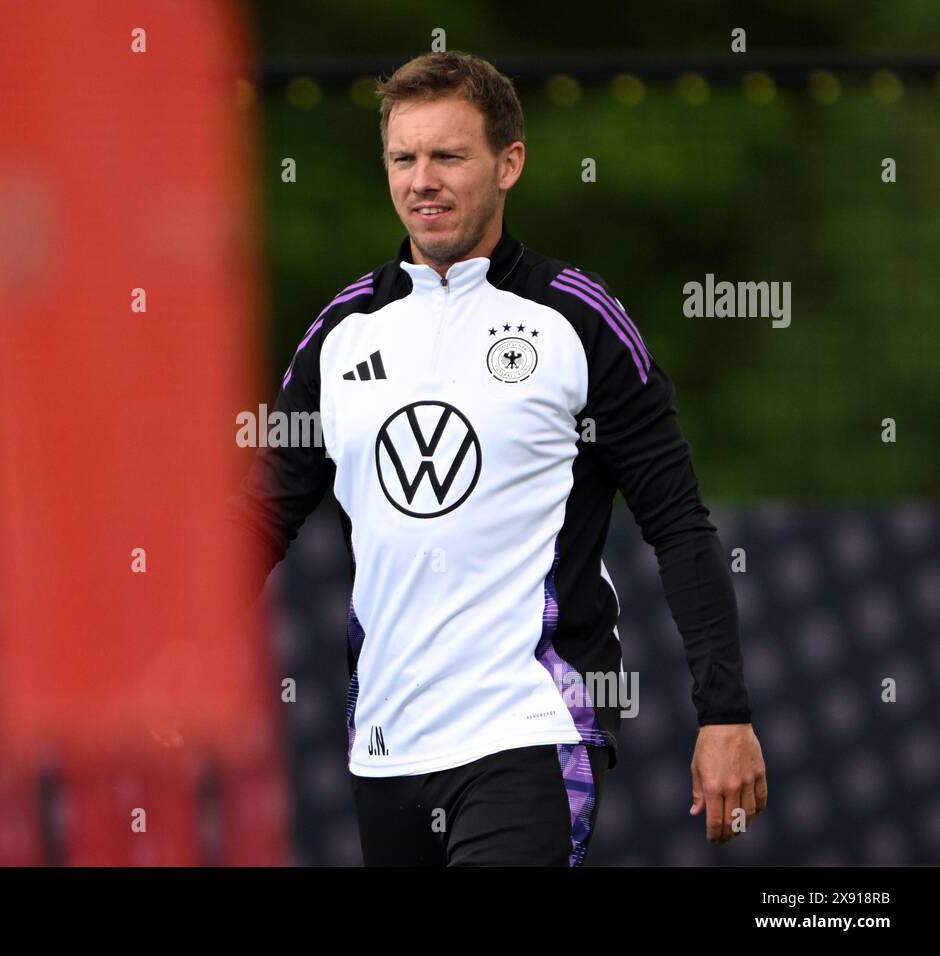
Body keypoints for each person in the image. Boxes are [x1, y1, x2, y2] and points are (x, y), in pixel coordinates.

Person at [227, 50, 766, 865]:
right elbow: (261, 515)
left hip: (533, 725)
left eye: (448, 156)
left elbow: (681, 526)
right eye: (403, 159)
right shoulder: (341, 335)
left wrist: (723, 713)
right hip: (387, 742)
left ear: (508, 163)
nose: (422, 181)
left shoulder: (577, 321)